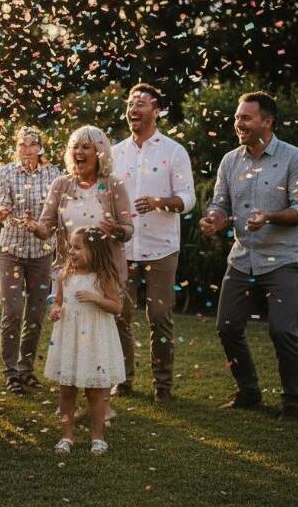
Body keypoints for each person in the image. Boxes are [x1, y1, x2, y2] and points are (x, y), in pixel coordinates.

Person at [200, 91, 298, 421]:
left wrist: (269, 216)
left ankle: (293, 402)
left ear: (267, 121)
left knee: (281, 330)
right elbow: (220, 205)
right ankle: (248, 391)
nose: (239, 123)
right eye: (237, 117)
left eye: (246, 118)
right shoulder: (230, 160)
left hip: (283, 259)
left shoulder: (294, 159)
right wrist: (214, 219)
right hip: (242, 258)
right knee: (227, 327)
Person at [25, 125, 132, 420]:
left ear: (99, 153)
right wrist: (36, 228)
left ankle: (103, 400)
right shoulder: (61, 185)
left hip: (104, 272)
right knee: (67, 331)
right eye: (75, 147)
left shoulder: (113, 185)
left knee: (100, 333)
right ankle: (67, 398)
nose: (79, 153)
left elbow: (129, 230)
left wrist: (118, 231)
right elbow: (47, 226)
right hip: (69, 271)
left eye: (86, 147)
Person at [112, 84, 196, 402]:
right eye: (130, 103)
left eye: (141, 104)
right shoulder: (116, 152)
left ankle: (162, 386)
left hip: (161, 247)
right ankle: (123, 380)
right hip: (123, 247)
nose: (134, 109)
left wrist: (161, 201)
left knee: (159, 317)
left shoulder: (174, 151)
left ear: (156, 109)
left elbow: (188, 199)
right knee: (120, 314)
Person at [45, 227, 125, 455]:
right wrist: (56, 310)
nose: (71, 251)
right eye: (70, 246)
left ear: (95, 250)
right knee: (67, 390)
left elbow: (116, 307)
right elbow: (58, 301)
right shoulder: (65, 275)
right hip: (70, 337)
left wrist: (95, 298)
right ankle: (66, 436)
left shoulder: (103, 277)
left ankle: (98, 437)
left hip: (94, 339)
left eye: (78, 247)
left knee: (95, 391)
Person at [0, 126, 61, 395]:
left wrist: (40, 226)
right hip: (11, 249)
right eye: (22, 144)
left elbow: (56, 212)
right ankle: (11, 372)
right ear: (17, 147)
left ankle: (26, 370)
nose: (27, 149)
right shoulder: (6, 172)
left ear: (40, 148)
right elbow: (0, 204)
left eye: (33, 144)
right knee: (12, 311)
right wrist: (3, 213)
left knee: (35, 313)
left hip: (42, 251)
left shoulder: (54, 174)